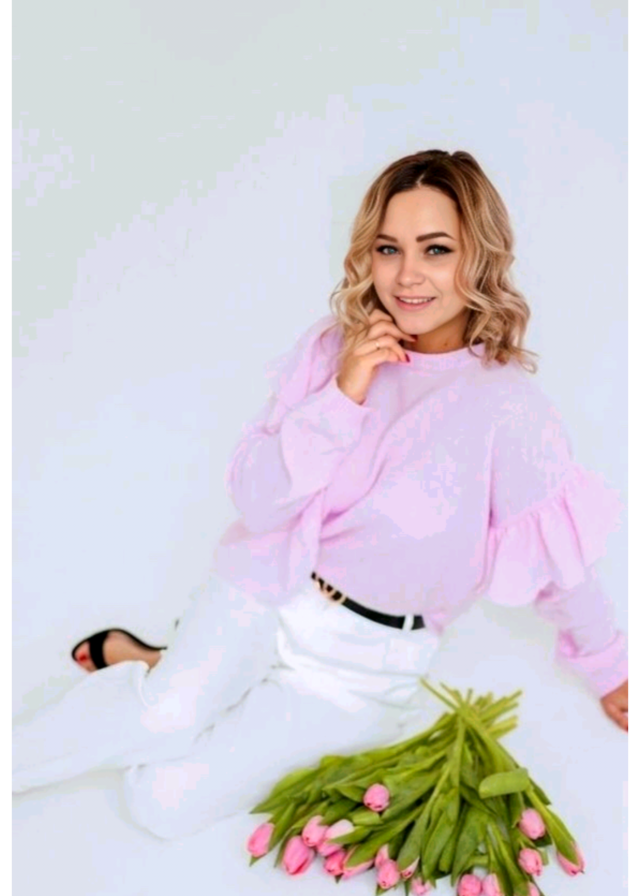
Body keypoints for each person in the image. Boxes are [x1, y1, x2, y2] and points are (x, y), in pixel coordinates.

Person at [10, 149, 630, 841]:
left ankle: (167, 667)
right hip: (266, 589)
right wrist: (343, 393)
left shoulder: (509, 408)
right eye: (389, 248)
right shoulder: (336, 347)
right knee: (164, 719)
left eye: (436, 249)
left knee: (160, 803)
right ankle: (172, 682)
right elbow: (259, 502)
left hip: (361, 665)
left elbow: (559, 564)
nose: (407, 275)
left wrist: (611, 666)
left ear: (479, 256)